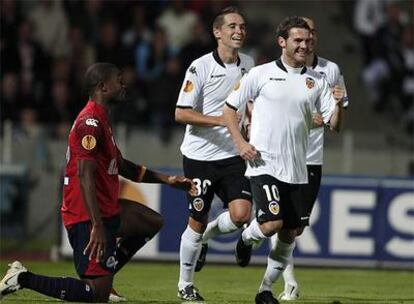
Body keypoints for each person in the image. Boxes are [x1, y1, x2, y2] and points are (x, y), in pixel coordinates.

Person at [0, 62, 197, 303]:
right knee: (95, 294)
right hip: (86, 215)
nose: (124, 83)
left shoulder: (102, 119)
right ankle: (22, 278)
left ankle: (106, 273)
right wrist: (97, 225)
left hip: (106, 208)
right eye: (119, 79)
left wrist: (168, 180)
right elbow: (85, 175)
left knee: (151, 221)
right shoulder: (89, 123)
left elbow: (123, 166)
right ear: (103, 87)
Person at [223, 16, 344, 304]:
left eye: (307, 40)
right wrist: (240, 143)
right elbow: (230, 109)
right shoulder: (260, 74)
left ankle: (265, 290)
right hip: (263, 162)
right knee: (271, 224)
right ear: (282, 42)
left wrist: (338, 104)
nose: (304, 45)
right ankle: (245, 239)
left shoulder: (316, 82)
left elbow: (335, 125)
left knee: (290, 233)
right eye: (297, 40)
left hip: (298, 168)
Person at [174, 6, 254, 301]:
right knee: (196, 217)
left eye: (242, 26)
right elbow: (181, 113)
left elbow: (249, 102)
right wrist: (222, 120)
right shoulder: (199, 67)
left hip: (234, 155)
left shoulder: (249, 63)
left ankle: (206, 237)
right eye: (232, 26)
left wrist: (251, 124)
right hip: (200, 158)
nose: (239, 31)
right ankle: (185, 284)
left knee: (241, 215)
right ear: (217, 32)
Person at [275, 17, 349, 301]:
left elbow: (336, 119)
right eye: (302, 35)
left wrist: (336, 109)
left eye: (312, 33)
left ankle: (206, 235)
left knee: (296, 226)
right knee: (278, 221)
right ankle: (288, 281)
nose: (307, 39)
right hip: (280, 155)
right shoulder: (277, 69)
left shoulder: (330, 70)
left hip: (312, 157)